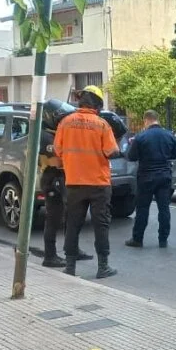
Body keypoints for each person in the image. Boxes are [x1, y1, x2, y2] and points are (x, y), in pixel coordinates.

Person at [54, 85, 120, 278]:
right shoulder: (101, 125)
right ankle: (103, 266)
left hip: (74, 182)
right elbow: (111, 151)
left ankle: (70, 266)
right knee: (101, 224)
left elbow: (58, 150)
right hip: (98, 183)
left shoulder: (65, 123)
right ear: (97, 104)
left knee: (73, 224)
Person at [38, 99, 94, 268]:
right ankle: (50, 256)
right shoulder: (46, 136)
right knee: (54, 218)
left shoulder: (57, 132)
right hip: (53, 179)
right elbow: (56, 161)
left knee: (73, 216)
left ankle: (72, 249)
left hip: (65, 179)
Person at [125, 110, 176, 248]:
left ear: (146, 120)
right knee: (164, 209)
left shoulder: (141, 137)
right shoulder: (169, 135)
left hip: (146, 177)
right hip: (164, 176)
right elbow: (175, 154)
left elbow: (132, 157)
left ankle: (137, 238)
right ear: (157, 119)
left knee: (142, 208)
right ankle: (163, 239)